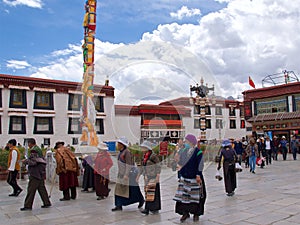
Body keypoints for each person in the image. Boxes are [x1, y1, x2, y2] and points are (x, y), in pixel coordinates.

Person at [173, 134, 206, 222]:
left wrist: (198, 174)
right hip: (185, 177)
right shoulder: (184, 151)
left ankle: (196, 214)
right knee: (184, 197)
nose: (185, 143)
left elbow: (200, 164)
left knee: (195, 197)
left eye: (186, 141)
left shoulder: (198, 152)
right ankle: (185, 213)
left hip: (195, 178)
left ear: (191, 142)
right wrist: (177, 159)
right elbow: (181, 162)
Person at [111, 137, 144, 211]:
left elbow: (129, 165)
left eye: (119, 144)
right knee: (118, 190)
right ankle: (118, 205)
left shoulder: (127, 152)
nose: (117, 145)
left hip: (129, 175)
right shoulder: (121, 152)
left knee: (133, 190)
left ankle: (140, 199)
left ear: (122, 145)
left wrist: (126, 174)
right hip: (121, 174)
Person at [20, 140, 51, 211]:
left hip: (35, 172)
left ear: (30, 143)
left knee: (31, 189)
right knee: (41, 188)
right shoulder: (39, 149)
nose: (28, 146)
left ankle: (28, 205)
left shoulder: (34, 150)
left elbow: (34, 162)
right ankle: (46, 202)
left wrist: (26, 161)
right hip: (40, 172)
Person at [137, 140, 161, 215]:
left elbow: (158, 165)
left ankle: (149, 208)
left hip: (153, 175)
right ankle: (149, 208)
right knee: (148, 192)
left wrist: (158, 175)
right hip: (147, 176)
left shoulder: (153, 155)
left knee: (151, 192)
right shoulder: (144, 156)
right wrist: (139, 175)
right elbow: (142, 167)